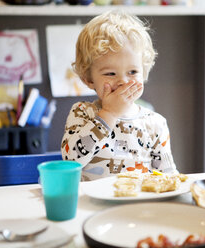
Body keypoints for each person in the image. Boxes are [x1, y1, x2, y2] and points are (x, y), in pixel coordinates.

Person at [61, 11, 178, 181]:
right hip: (90, 206)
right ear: (88, 79)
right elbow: (71, 160)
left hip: (138, 205)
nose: (123, 81)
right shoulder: (82, 113)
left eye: (132, 72)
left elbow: (168, 177)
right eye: (110, 73)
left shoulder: (156, 124)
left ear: (144, 72)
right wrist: (109, 114)